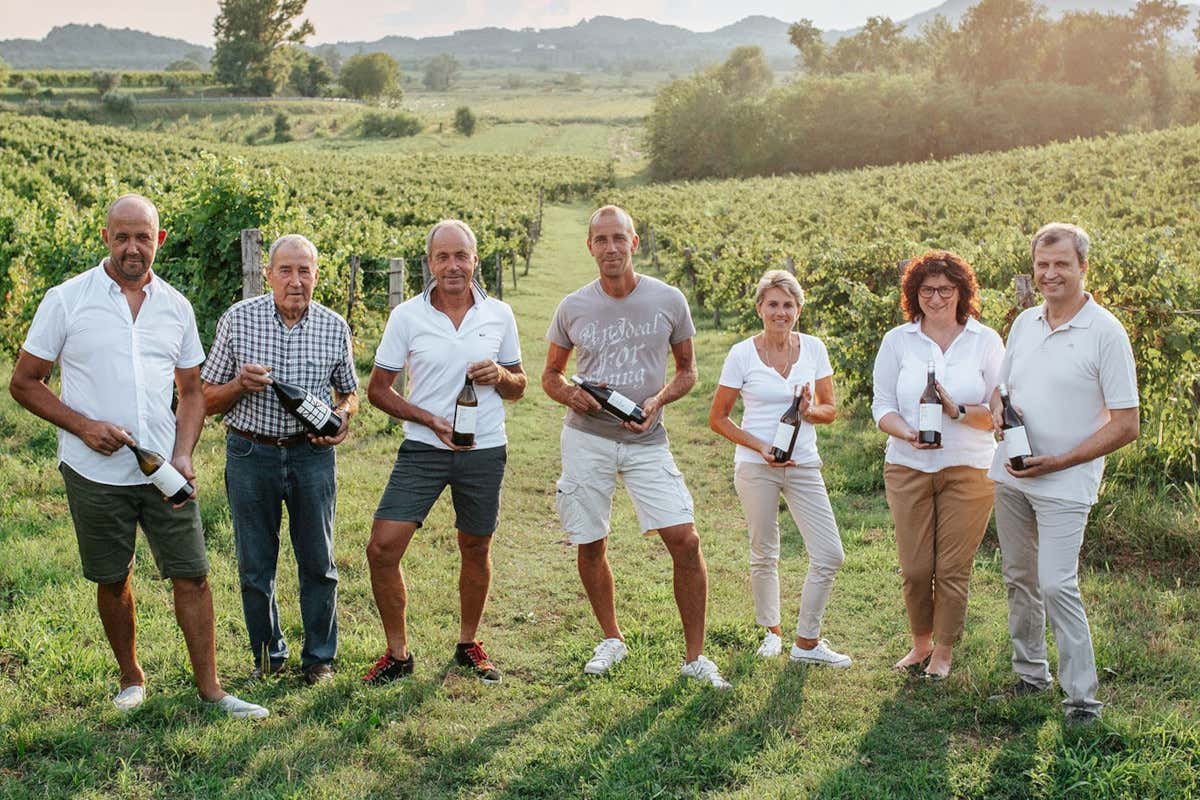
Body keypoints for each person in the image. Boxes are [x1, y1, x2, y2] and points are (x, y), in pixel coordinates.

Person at [7, 194, 267, 719]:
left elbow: (192, 392)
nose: (132, 247)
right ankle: (131, 678)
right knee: (112, 576)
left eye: (142, 237)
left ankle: (212, 691)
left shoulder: (176, 306)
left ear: (159, 240)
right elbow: (23, 382)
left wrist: (185, 453)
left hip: (163, 471)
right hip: (94, 470)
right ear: (105, 237)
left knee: (193, 574)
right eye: (121, 236)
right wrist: (83, 427)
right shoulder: (66, 300)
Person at [542, 204, 730, 689]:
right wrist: (571, 395)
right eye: (600, 240)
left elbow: (688, 370)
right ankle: (612, 638)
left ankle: (695, 657)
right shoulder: (573, 306)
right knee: (590, 541)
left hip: (648, 439)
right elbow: (550, 375)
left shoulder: (668, 299)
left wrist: (659, 399)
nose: (610, 248)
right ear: (590, 246)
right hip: (587, 440)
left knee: (685, 540)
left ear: (634, 242)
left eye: (618, 239)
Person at [362, 219, 526, 685]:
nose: (452, 265)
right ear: (429, 263)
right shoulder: (407, 316)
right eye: (442, 257)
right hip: (422, 448)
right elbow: (378, 390)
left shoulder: (500, 315)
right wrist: (429, 419)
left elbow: (519, 387)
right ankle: (398, 654)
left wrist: (501, 375)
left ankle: (468, 642)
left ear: (476, 260)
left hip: (484, 449)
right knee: (382, 548)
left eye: (461, 256)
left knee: (475, 546)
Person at [988, 223, 1139, 724]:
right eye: (1042, 265)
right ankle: (1030, 675)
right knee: (1019, 579)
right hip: (1011, 475)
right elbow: (1001, 390)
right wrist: (995, 414)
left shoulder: (1106, 333)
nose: (1050, 274)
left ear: (1082, 268)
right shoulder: (1026, 323)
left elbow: (1127, 424)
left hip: (1065, 484)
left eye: (1061, 265)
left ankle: (1083, 701)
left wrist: (1060, 461)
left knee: (1057, 584)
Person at [201, 234, 358, 685]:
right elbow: (206, 398)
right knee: (255, 564)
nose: (295, 280)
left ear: (316, 276)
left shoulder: (334, 328)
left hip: (312, 457)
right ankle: (269, 658)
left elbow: (349, 392)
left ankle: (319, 659)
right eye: (285, 270)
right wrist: (238, 387)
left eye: (303, 270)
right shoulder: (238, 320)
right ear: (268, 275)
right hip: (251, 453)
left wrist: (343, 416)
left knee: (319, 562)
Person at [871, 251, 1004, 680]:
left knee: (951, 568)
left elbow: (1000, 413)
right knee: (915, 568)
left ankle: (943, 652)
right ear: (915, 294)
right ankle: (920, 644)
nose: (937, 297)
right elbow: (882, 406)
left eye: (946, 289)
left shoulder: (985, 341)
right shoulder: (898, 340)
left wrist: (959, 411)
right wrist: (907, 432)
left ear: (962, 292)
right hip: (907, 465)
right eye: (927, 290)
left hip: (970, 467)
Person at [709, 269, 851, 667]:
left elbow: (830, 409)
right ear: (759, 308)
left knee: (830, 553)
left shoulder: (813, 349)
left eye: (788, 305)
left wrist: (810, 411)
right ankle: (771, 632)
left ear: (799, 310)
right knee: (764, 551)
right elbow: (718, 418)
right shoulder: (741, 354)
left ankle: (807, 642)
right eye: (773, 304)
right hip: (756, 466)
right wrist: (760, 446)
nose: (780, 312)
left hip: (804, 463)